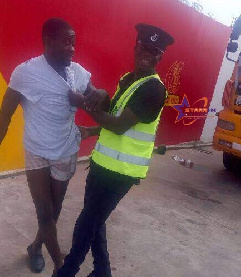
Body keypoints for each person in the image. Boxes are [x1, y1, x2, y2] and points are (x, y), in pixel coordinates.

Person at [56, 23, 174, 277]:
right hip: (102, 164)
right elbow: (116, 116)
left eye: (154, 51)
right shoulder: (128, 80)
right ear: (136, 47)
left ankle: (66, 272)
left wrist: (84, 103)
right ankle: (103, 271)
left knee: (87, 223)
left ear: (160, 57)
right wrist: (94, 126)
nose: (147, 54)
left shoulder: (154, 89)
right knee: (95, 221)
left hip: (121, 172)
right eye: (144, 47)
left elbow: (120, 126)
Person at [0, 18, 108, 275]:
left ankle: (36, 247)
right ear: (48, 42)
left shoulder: (78, 73)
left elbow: (99, 102)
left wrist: (101, 93)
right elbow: (5, 115)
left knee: (55, 209)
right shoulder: (25, 72)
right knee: (44, 212)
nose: (72, 47)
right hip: (37, 149)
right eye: (66, 41)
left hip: (66, 150)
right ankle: (61, 265)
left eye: (74, 42)